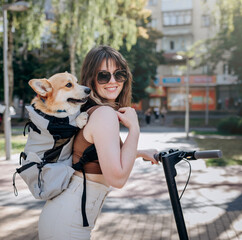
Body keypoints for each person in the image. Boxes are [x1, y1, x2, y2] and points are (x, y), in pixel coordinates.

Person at [38, 45, 158, 240]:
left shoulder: (92, 110)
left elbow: (100, 154)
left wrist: (139, 152)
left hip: (65, 218)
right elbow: (117, 179)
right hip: (68, 224)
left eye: (119, 75)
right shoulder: (104, 114)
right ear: (91, 79)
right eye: (103, 76)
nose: (113, 81)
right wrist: (134, 129)